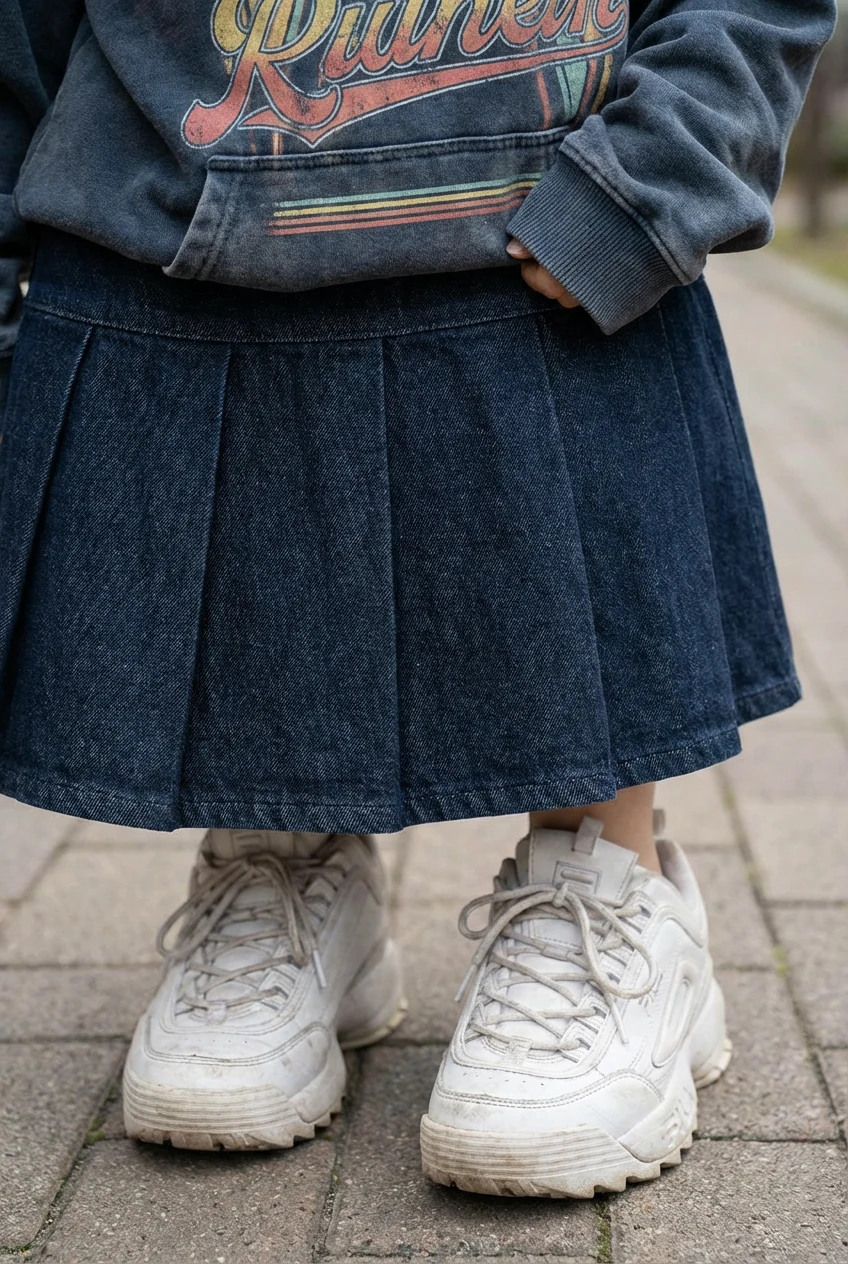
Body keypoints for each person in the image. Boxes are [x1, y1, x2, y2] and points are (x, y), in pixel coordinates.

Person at [0, 0, 834, 1199]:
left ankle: (605, 886)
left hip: (544, 187)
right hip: (172, 187)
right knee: (237, 394)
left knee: (557, 350)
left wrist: (653, 175)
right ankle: (286, 866)